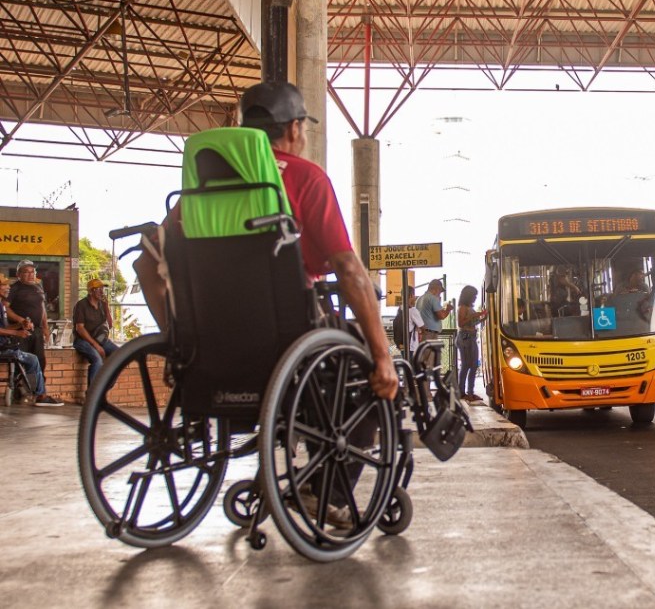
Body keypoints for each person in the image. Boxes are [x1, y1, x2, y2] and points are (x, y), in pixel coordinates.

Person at [134, 81, 397, 528]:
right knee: (369, 386)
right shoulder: (305, 178)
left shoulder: (200, 192)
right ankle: (321, 489)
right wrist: (382, 356)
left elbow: (145, 266)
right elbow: (349, 270)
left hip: (211, 349)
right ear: (294, 129)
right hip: (285, 344)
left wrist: (179, 341)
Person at [0, 275, 61, 406]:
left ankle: (28, 392)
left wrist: (21, 325)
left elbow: (4, 328)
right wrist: (16, 332)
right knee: (33, 360)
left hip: (5, 346)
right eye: (4, 285)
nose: (7, 288)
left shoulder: (1, 305)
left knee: (33, 360)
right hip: (2, 349)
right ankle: (40, 395)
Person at [72, 278, 120, 386]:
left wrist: (107, 306)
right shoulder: (81, 305)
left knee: (118, 354)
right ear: (91, 291)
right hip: (84, 340)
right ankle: (91, 395)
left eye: (102, 288)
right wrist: (96, 346)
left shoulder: (102, 304)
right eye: (98, 289)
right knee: (97, 360)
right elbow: (79, 328)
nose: (101, 292)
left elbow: (110, 325)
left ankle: (105, 387)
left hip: (100, 339)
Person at [7, 260, 49, 374]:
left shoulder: (38, 286)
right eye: (26, 272)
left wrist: (45, 328)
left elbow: (42, 308)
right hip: (20, 332)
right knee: (22, 364)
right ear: (18, 274)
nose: (31, 275)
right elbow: (5, 308)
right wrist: (21, 320)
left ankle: (37, 390)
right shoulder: (14, 288)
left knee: (40, 362)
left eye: (33, 272)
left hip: (37, 331)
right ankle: (20, 391)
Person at [455, 285, 486, 402]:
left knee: (472, 365)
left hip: (470, 337)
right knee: (467, 365)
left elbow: (473, 323)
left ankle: (469, 392)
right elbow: (461, 324)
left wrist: (482, 318)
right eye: (474, 296)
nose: (475, 298)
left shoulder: (467, 308)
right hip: (465, 337)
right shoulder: (462, 308)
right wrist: (474, 315)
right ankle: (463, 393)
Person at [416, 279, 452, 369]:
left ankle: (420, 381)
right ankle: (425, 383)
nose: (440, 293)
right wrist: (448, 309)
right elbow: (441, 315)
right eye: (440, 291)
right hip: (431, 334)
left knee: (422, 359)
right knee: (429, 362)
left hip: (422, 332)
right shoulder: (432, 298)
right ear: (436, 288)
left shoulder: (420, 299)